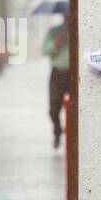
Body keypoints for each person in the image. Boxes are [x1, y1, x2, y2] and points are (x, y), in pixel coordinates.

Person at [42, 13, 69, 148]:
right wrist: (56, 43)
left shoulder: (79, 29)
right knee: (54, 108)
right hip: (58, 73)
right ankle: (57, 131)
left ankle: (72, 133)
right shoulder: (54, 31)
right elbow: (44, 50)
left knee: (74, 107)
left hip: (73, 75)